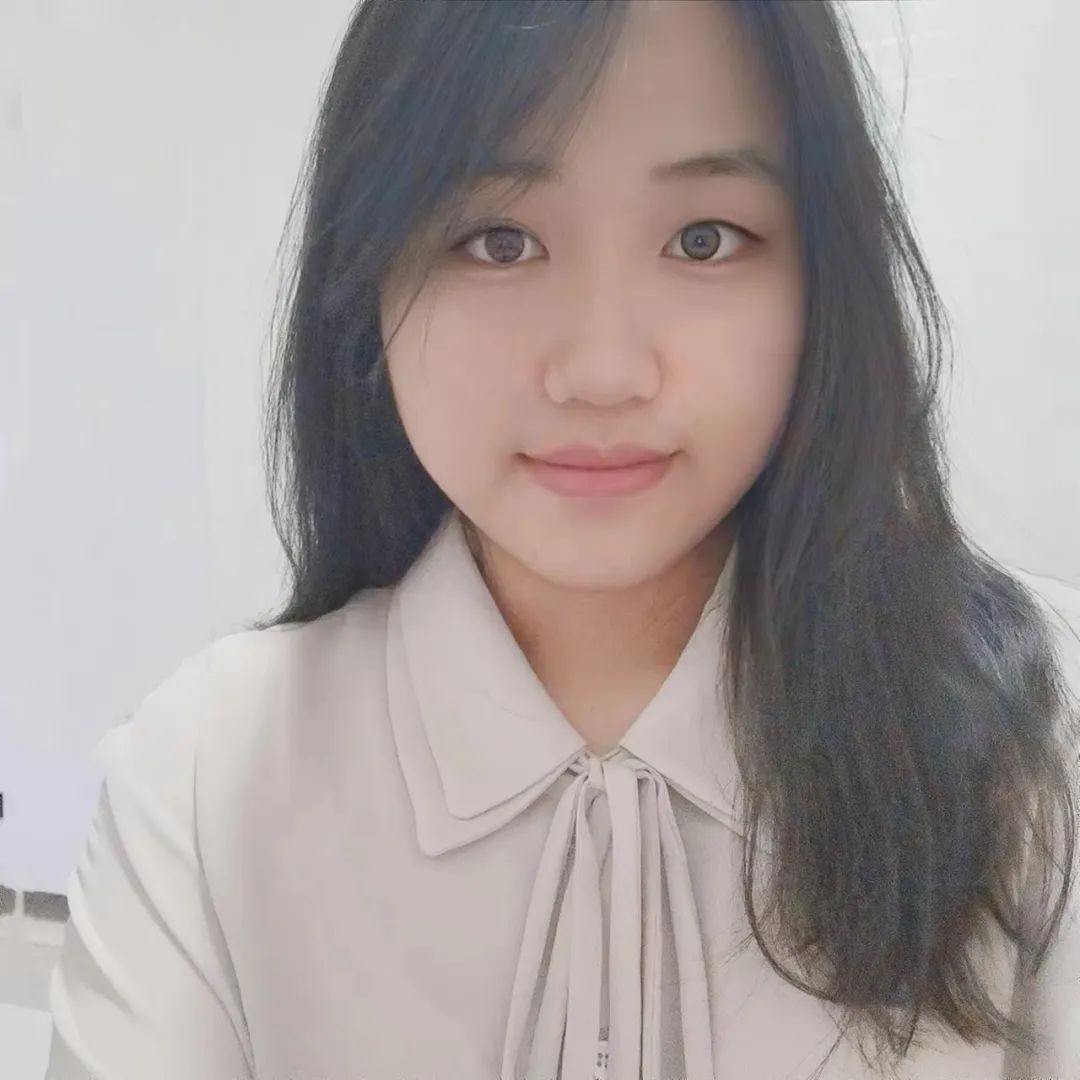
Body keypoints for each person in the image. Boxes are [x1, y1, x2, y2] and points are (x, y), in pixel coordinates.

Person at [46, 1, 1080, 1078]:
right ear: (369, 279)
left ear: (824, 277)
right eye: (499, 241)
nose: (601, 371)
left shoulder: (1041, 734)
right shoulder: (205, 779)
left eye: (704, 238)